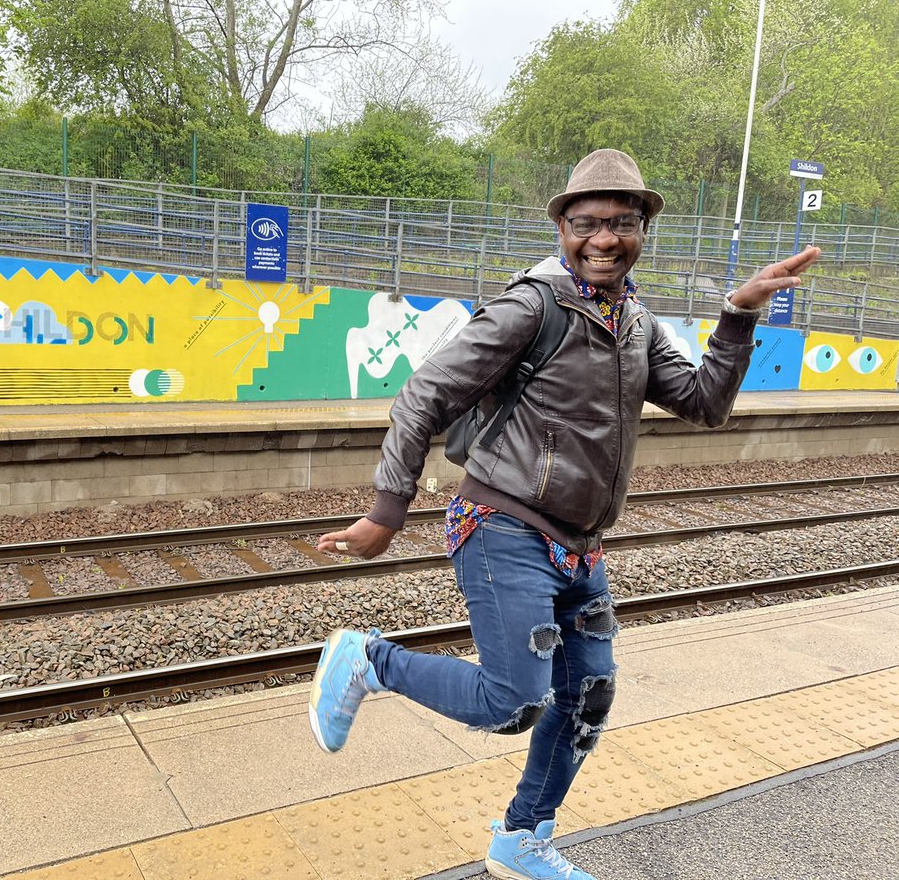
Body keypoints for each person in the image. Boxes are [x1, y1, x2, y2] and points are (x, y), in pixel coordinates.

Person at [308, 148, 822, 880]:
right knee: (513, 701)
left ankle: (521, 840)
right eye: (587, 223)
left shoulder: (635, 319)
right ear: (562, 227)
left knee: (586, 698)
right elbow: (424, 394)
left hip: (581, 546)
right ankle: (367, 659)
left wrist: (737, 316)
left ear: (643, 229)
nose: (604, 239)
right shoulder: (533, 305)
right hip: (504, 526)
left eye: (621, 223)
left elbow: (705, 402)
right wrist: (387, 511)